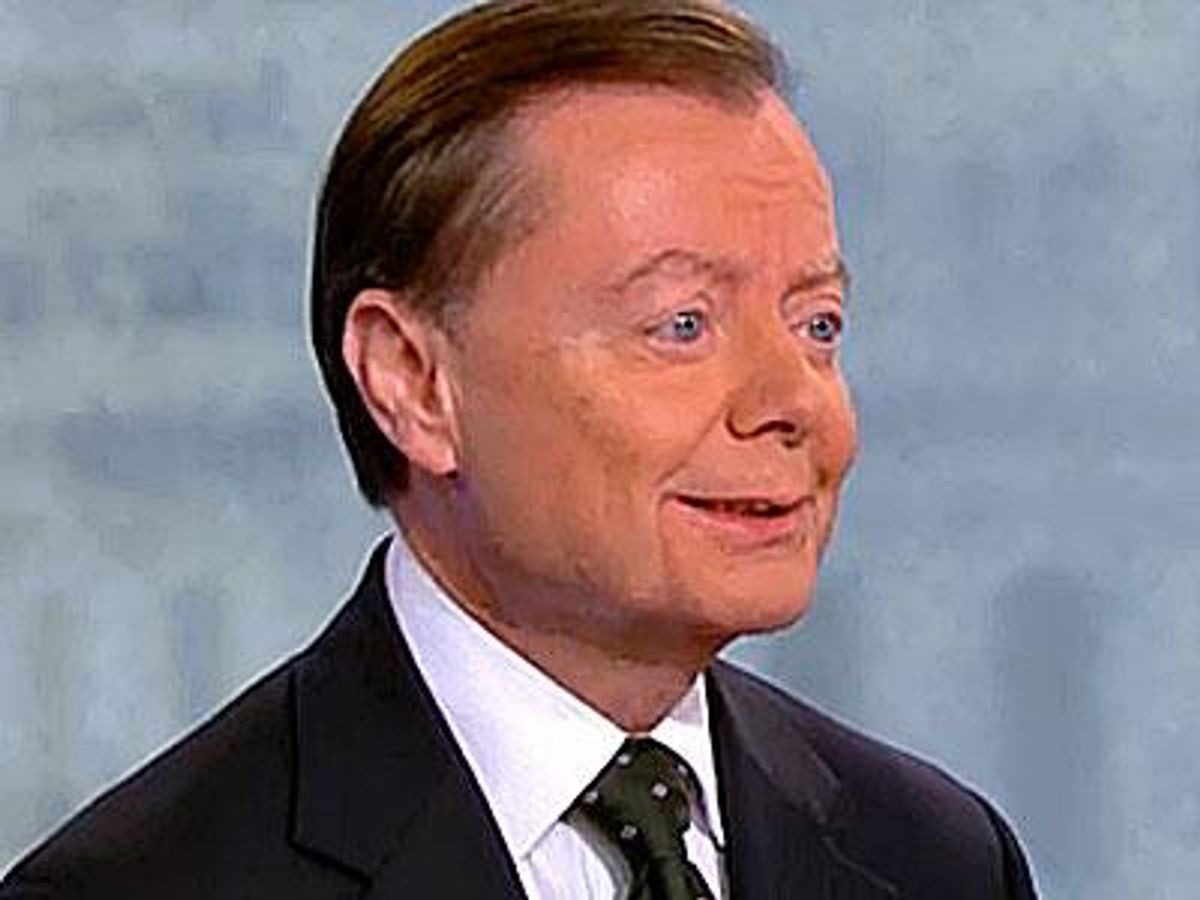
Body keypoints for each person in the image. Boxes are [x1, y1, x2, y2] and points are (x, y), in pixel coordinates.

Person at [1, 1, 1037, 897]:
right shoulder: (149, 882)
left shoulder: (937, 858)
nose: (796, 404)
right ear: (414, 382)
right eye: (682, 325)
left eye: (818, 325)